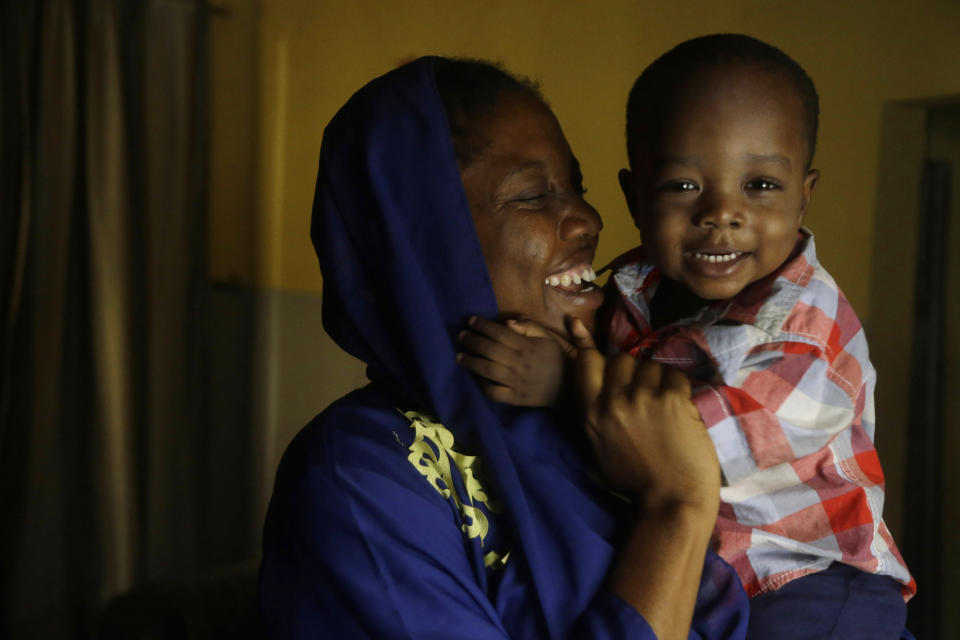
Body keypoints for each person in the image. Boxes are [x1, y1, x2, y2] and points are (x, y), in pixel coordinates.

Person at [258, 56, 750, 639]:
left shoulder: (598, 424)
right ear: (426, 243)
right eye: (533, 196)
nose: (590, 219)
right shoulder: (359, 475)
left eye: (577, 188)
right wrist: (679, 506)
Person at [459, 35, 916, 638]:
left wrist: (565, 380)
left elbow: (679, 441)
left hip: (814, 585)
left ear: (804, 197)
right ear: (634, 196)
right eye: (682, 186)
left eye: (761, 186)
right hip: (719, 575)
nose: (722, 213)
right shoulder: (634, 287)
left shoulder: (804, 331)